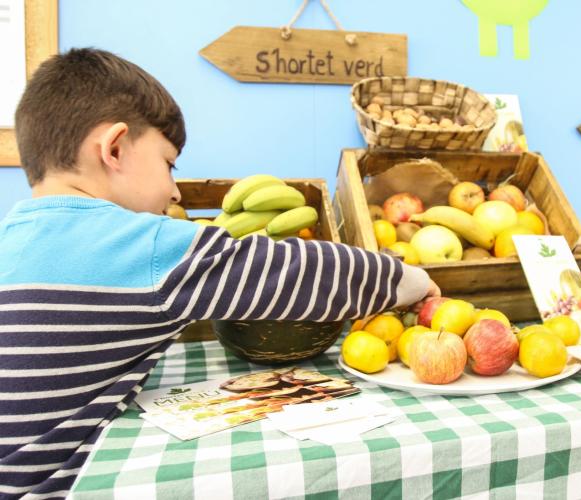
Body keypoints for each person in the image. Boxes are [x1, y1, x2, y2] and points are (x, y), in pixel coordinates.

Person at [0, 48, 439, 499]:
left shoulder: (11, 237)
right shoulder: (142, 246)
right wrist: (410, 281)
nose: (174, 190)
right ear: (114, 149)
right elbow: (292, 272)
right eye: (168, 163)